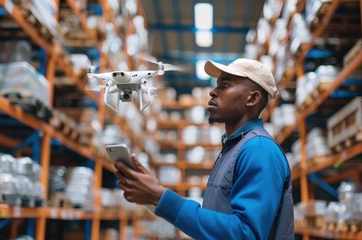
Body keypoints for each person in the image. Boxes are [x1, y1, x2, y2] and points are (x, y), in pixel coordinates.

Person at [114, 58, 294, 239]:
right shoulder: (234, 148)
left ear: (252, 98)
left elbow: (245, 234)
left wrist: (160, 198)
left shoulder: (259, 150)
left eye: (225, 85)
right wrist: (154, 193)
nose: (213, 92)